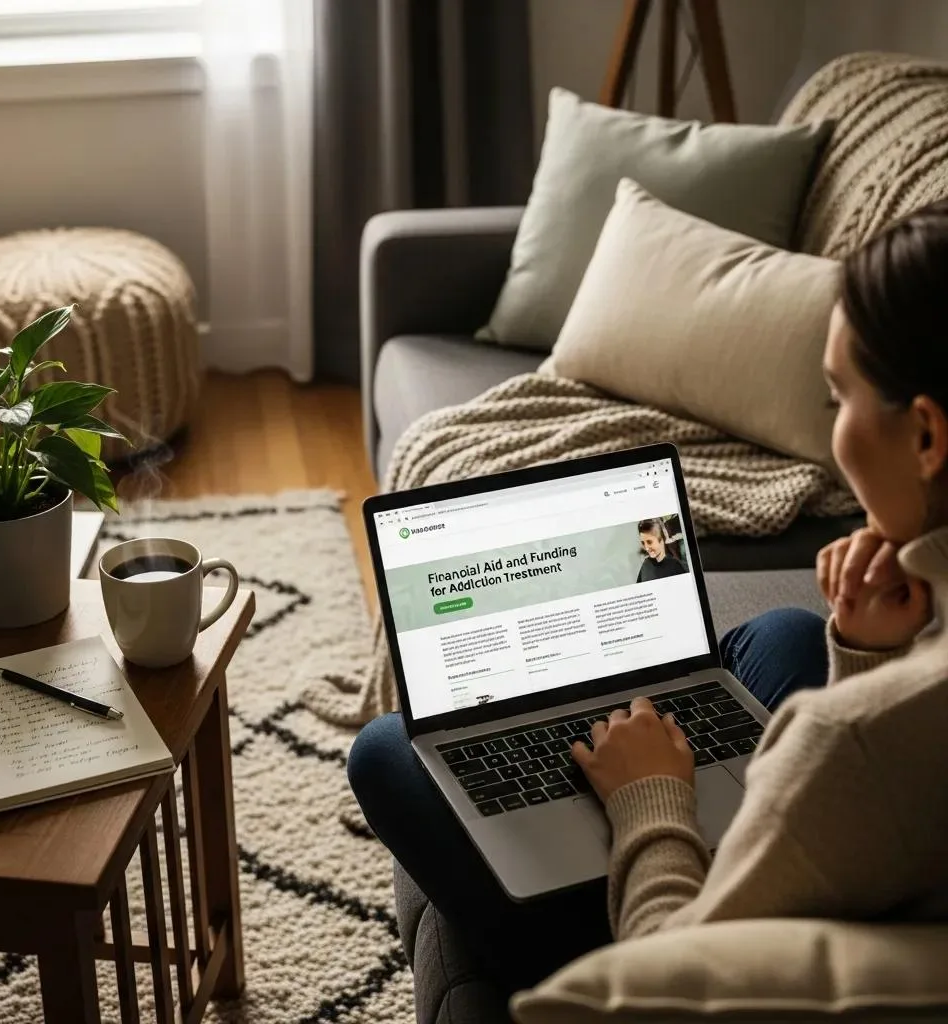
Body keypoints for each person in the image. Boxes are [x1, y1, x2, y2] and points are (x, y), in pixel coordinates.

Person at [347, 199, 948, 999]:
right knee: (783, 634)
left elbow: (670, 979)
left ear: (927, 436)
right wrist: (873, 653)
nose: (832, 426)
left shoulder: (848, 740)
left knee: (387, 750)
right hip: (849, 859)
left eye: (838, 398)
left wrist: (649, 798)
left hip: (673, 926)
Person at [635, 517, 688, 582]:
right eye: (643, 543)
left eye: (649, 542)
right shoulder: (646, 564)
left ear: (661, 539)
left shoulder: (675, 566)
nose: (646, 548)